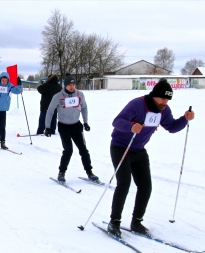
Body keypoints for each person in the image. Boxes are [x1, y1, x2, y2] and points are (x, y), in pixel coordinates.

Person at [107, 78, 195, 238]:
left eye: (168, 99)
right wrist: (131, 126)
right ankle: (114, 223)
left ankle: (137, 221)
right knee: (124, 184)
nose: (165, 101)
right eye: (162, 98)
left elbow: (172, 127)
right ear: (154, 95)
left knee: (145, 186)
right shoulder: (137, 104)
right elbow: (117, 121)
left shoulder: (163, 110)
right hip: (121, 148)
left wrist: (185, 119)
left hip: (139, 150)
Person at [44, 75, 98, 183]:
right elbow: (50, 111)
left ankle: (89, 172)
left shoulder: (79, 94)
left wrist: (86, 122)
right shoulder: (58, 96)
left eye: (73, 84)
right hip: (64, 126)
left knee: (83, 150)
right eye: (69, 85)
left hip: (76, 125)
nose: (72, 87)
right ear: (65, 85)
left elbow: (84, 108)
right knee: (68, 150)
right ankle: (62, 172)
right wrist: (47, 127)